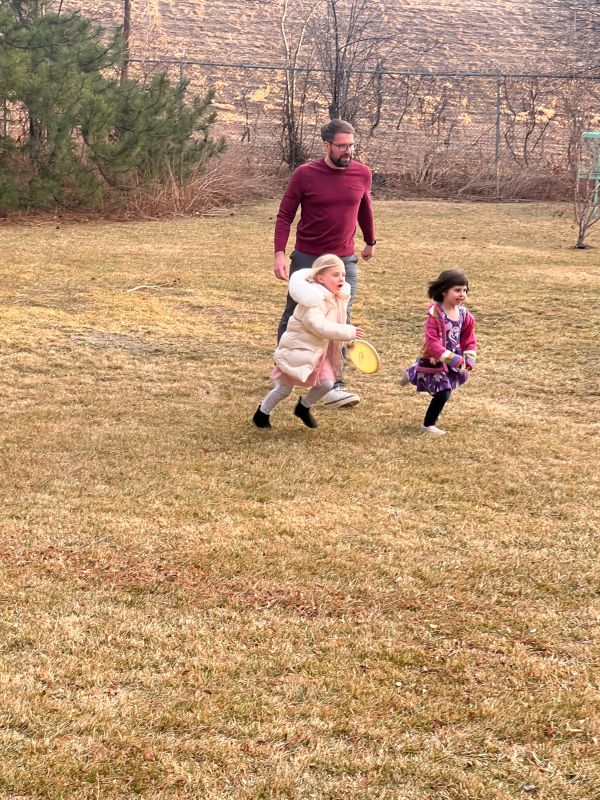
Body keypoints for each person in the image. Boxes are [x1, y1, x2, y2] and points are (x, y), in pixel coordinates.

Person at [273, 118, 376, 409]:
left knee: (341, 317)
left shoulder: (362, 174)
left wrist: (370, 241)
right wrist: (279, 253)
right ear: (326, 145)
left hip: (344, 259)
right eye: (341, 146)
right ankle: (287, 369)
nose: (348, 151)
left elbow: (364, 207)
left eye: (351, 145)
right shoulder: (305, 174)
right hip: (307, 258)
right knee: (296, 312)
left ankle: (334, 382)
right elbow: (284, 216)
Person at [253, 254, 364, 430]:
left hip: (318, 352)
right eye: (335, 275)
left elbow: (336, 324)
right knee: (284, 389)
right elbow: (317, 326)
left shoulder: (337, 297)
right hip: (299, 350)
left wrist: (347, 338)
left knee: (327, 384)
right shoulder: (313, 300)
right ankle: (262, 413)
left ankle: (303, 407)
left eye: (342, 274)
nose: (341, 278)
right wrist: (348, 331)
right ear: (320, 278)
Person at [401, 269, 477, 435]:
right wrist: (452, 358)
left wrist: (469, 357)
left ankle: (412, 372)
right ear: (444, 291)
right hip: (435, 360)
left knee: (445, 389)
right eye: (457, 290)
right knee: (443, 393)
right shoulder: (436, 314)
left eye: (464, 290)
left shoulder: (464, 314)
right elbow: (432, 342)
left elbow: (469, 338)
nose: (462, 294)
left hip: (452, 361)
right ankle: (428, 425)